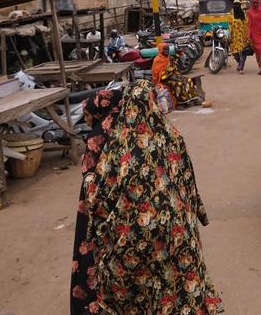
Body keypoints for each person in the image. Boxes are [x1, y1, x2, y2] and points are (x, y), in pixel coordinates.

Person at [82, 80, 223, 314]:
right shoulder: (172, 137)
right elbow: (189, 182)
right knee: (180, 281)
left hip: (136, 238)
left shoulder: (117, 147)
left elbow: (99, 197)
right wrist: (199, 213)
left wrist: (89, 186)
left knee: (137, 289)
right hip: (177, 232)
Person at [71, 89, 123, 315]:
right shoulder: (127, 129)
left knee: (97, 261)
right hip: (119, 210)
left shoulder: (98, 137)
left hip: (98, 212)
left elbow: (89, 176)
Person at [231, 0, 251, 74]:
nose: (236, 6)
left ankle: (241, 66)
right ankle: (240, 63)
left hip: (242, 36)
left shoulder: (243, 14)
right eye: (235, 5)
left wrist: (248, 36)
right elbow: (229, 26)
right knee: (234, 53)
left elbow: (247, 25)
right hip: (234, 37)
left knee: (243, 52)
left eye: (237, 5)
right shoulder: (231, 14)